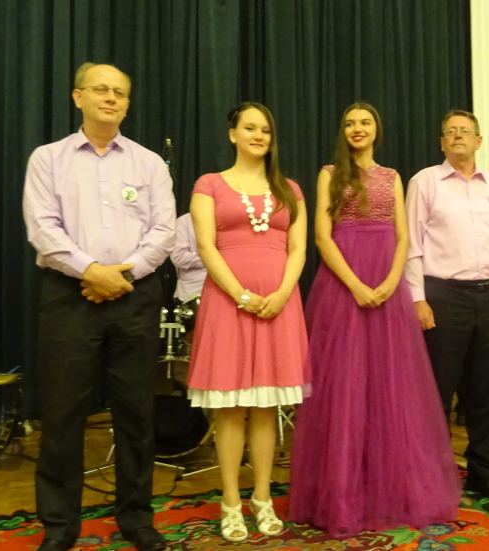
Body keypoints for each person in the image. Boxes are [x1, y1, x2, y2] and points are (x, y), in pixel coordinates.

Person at [22, 62, 175, 551]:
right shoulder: (48, 159)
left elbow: (164, 231)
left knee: (137, 413)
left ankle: (137, 519)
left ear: (127, 103)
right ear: (78, 97)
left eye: (120, 93)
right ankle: (59, 527)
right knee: (63, 415)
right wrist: (91, 271)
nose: (110, 98)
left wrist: (121, 276)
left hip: (136, 295)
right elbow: (42, 227)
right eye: (101, 90)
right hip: (70, 297)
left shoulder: (149, 163)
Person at [289, 103, 461, 536]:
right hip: (343, 286)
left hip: (388, 286)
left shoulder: (392, 177)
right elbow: (322, 237)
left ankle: (392, 490)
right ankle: (342, 494)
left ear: (376, 129)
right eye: (350, 123)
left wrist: (389, 282)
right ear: (343, 131)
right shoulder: (330, 174)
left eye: (364, 122)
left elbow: (404, 237)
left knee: (391, 386)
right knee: (344, 388)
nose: (357, 128)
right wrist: (356, 285)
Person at [185, 102, 308, 543]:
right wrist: (239, 294)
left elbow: (298, 249)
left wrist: (282, 293)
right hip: (227, 305)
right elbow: (206, 245)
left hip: (279, 305)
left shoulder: (289, 189)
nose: (258, 136)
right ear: (232, 134)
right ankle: (231, 502)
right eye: (250, 128)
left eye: (265, 130)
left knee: (266, 407)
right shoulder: (209, 184)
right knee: (230, 408)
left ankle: (262, 498)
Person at [405, 109, 489, 501]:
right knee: (436, 393)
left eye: (465, 131)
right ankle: (429, 477)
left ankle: (482, 473)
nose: (458, 136)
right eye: (450, 132)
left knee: (485, 392)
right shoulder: (425, 182)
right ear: (442, 142)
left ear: (478, 141)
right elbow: (411, 246)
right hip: (443, 297)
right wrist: (418, 299)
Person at [170, 212, 206, 302]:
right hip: (194, 293)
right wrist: (212, 259)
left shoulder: (231, 221)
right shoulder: (185, 221)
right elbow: (178, 257)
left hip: (228, 289)